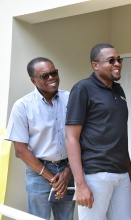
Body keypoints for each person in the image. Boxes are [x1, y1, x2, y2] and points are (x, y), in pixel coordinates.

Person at [65, 43, 131, 220]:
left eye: (119, 60)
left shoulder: (119, 90)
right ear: (95, 64)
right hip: (95, 175)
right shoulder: (83, 89)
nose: (117, 63)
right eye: (111, 60)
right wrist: (80, 184)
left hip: (121, 176)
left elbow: (120, 136)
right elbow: (71, 138)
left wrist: (130, 174)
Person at [5, 57, 75, 220]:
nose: (51, 78)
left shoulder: (70, 98)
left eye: (54, 73)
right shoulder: (22, 106)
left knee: (66, 218)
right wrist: (53, 179)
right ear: (33, 80)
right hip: (39, 173)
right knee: (38, 219)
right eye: (44, 76)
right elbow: (21, 151)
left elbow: (81, 137)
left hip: (67, 170)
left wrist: (67, 172)